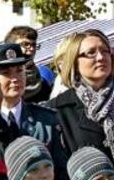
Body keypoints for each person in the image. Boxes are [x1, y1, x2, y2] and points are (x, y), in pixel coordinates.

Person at [0, 43, 69, 180]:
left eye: (19, 70)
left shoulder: (46, 119)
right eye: (6, 73)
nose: (15, 78)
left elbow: (61, 173)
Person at [48, 29, 114, 159]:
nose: (100, 57)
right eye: (91, 53)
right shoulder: (56, 110)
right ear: (74, 62)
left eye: (104, 51)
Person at [4, 26, 52, 103]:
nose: (32, 49)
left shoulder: (43, 85)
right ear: (10, 48)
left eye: (34, 45)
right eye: (25, 44)